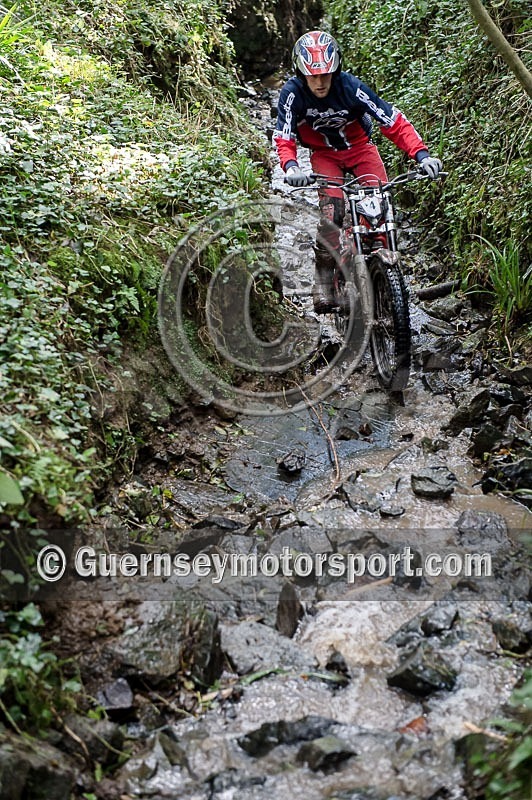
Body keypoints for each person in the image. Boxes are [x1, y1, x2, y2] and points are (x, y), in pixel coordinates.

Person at [273, 30, 443, 313]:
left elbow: (392, 120)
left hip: (361, 148)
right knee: (333, 212)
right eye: (313, 76)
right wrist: (291, 167)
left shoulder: (351, 86)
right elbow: (284, 135)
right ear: (301, 73)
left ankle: (384, 273)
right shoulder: (292, 93)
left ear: (335, 70)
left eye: (326, 74)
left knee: (380, 206)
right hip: (323, 154)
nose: (320, 82)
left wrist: (422, 155)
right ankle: (324, 274)